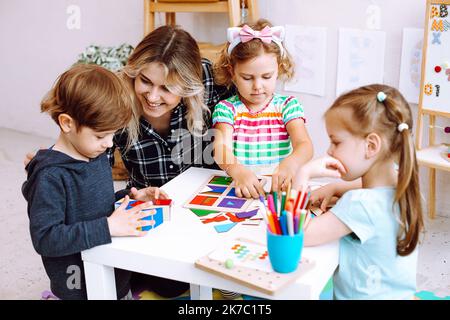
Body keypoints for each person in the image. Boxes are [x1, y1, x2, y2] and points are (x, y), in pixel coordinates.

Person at [22, 64, 165, 300]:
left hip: (112, 273)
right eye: (101, 135)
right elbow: (46, 238)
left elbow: (95, 205)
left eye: (112, 134)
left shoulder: (95, 154)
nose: (110, 144)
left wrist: (129, 198)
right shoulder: (50, 177)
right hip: (78, 287)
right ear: (67, 123)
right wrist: (107, 227)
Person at [295, 84, 424, 299]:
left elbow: (298, 236)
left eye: (336, 142)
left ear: (371, 146)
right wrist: (335, 187)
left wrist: (303, 174)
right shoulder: (405, 184)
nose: (329, 150)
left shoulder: (359, 204)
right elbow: (372, 192)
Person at [212, 19, 313, 198]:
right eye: (247, 77)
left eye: (267, 76)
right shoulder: (226, 109)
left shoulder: (288, 106)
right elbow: (221, 149)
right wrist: (239, 172)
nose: (258, 86)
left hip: (279, 191)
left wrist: (290, 164)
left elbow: (304, 145)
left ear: (279, 69)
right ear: (232, 73)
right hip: (242, 190)